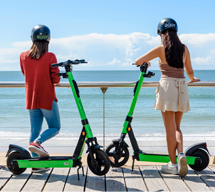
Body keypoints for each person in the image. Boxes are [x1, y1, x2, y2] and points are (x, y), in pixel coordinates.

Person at [135, 18, 200, 177]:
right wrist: (192, 79)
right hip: (182, 86)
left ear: (161, 33)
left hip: (167, 87)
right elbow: (189, 71)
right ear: (176, 32)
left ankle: (172, 164)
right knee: (177, 128)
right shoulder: (184, 48)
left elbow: (138, 61)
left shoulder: (160, 48)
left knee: (169, 130)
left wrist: (148, 61)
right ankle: (181, 155)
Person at [20, 25, 61, 172]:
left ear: (32, 38)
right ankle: (38, 143)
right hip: (47, 98)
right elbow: (56, 80)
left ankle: (36, 165)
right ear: (48, 39)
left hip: (31, 99)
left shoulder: (23, 56)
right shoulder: (51, 56)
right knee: (55, 127)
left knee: (34, 130)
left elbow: (26, 74)